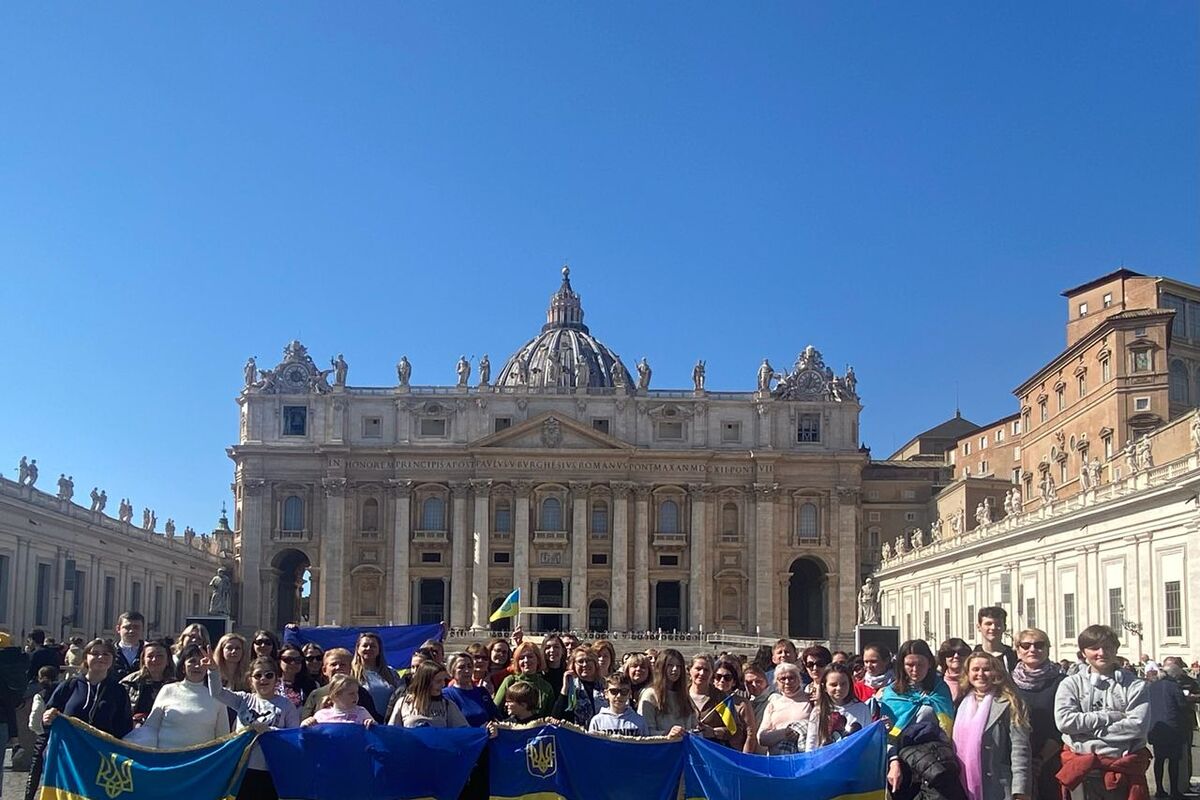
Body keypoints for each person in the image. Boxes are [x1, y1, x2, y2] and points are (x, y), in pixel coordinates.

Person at [1053, 624, 1151, 800]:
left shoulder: (1136, 685)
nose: (1101, 652)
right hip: (1081, 770)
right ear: (1083, 653)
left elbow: (1138, 726)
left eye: (1107, 647)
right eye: (1094, 648)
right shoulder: (1070, 684)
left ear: (1116, 650)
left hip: (1123, 770)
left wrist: (1087, 731)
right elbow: (1065, 723)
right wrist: (1110, 716)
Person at [29, 640, 132, 800]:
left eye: (106, 654)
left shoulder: (118, 691)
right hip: (68, 758)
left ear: (112, 659)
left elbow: (124, 727)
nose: (100, 657)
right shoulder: (69, 685)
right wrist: (48, 718)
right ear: (86, 658)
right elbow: (48, 717)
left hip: (100, 758)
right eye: (95, 653)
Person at [206, 654, 300, 800]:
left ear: (276, 678)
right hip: (241, 769)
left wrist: (269, 731)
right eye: (258, 675)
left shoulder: (286, 705)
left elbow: (294, 737)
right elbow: (217, 693)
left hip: (271, 770)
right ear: (250, 679)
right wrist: (213, 670)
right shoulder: (244, 699)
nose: (263, 679)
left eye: (269, 675)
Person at [879, 639, 961, 800]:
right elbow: (888, 734)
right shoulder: (891, 693)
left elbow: (949, 728)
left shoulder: (940, 689)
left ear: (930, 663)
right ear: (901, 665)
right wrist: (893, 762)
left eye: (920, 664)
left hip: (935, 763)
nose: (915, 670)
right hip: (903, 764)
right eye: (909, 664)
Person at [953, 652, 1031, 800]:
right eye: (975, 669)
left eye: (986, 669)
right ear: (968, 673)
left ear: (996, 672)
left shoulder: (1011, 702)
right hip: (963, 785)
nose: (981, 674)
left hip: (999, 786)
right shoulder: (960, 702)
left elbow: (1020, 749)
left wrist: (1021, 791)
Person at [125, 644, 228, 748]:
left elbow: (223, 738)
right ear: (183, 667)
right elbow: (150, 728)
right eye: (192, 661)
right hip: (167, 759)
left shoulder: (218, 696)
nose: (197, 666)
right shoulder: (168, 690)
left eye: (202, 662)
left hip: (202, 761)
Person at [1010, 628, 1065, 800]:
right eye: (1025, 645)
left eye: (1039, 645)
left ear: (1048, 649)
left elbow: (1062, 725)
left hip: (1051, 759)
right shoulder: (1008, 682)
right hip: (1015, 760)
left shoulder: (1062, 682)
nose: (1032, 650)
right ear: (1018, 651)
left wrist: (1040, 759)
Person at [806, 663, 873, 752]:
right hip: (826, 761)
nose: (839, 688)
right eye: (833, 685)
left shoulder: (862, 709)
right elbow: (811, 743)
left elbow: (868, 739)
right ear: (824, 687)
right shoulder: (818, 711)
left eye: (843, 684)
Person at [300, 648, 378, 722]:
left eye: (343, 664)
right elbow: (305, 725)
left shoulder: (361, 693)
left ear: (351, 669)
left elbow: (373, 723)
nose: (338, 667)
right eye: (333, 664)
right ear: (324, 670)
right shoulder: (316, 694)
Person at [1146, 665, 1187, 800]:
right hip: (1173, 728)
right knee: (1174, 761)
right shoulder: (1174, 687)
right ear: (1174, 675)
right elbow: (1181, 706)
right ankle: (1174, 790)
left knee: (1159, 760)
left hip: (1156, 728)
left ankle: (1160, 789)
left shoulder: (1151, 687)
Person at [389, 661, 468, 728]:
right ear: (425, 682)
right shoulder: (403, 703)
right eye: (438, 681)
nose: (443, 685)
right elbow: (391, 732)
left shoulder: (448, 706)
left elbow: (464, 731)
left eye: (444, 680)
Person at [637, 648, 694, 739]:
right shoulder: (650, 695)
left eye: (678, 666)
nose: (675, 669)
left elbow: (692, 726)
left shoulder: (685, 696)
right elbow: (645, 730)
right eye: (670, 665)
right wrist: (667, 735)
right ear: (661, 667)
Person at [757, 662, 813, 754]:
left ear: (799, 680)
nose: (787, 682)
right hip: (778, 759)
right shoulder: (773, 704)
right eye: (783, 679)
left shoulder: (810, 700)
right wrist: (784, 733)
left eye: (791, 678)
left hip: (804, 756)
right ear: (777, 682)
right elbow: (761, 738)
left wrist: (799, 731)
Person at [494, 642, 555, 720]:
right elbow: (495, 709)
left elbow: (550, 716)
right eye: (521, 658)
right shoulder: (510, 681)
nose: (526, 660)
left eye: (530, 657)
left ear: (538, 659)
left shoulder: (546, 687)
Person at [710, 656, 758, 753]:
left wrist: (744, 758)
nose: (722, 681)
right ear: (713, 679)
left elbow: (750, 734)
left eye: (727, 678)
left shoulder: (742, 704)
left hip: (733, 753)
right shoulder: (707, 699)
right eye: (718, 677)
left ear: (734, 682)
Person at [119, 640, 176, 723]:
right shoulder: (129, 683)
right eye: (150, 656)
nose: (154, 659)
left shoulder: (177, 685)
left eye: (160, 656)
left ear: (168, 660)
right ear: (143, 660)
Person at [351, 632, 401, 723]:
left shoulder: (392, 673)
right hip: (361, 724)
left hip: (388, 724)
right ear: (358, 649)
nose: (368, 648)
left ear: (379, 650)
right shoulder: (351, 673)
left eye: (373, 646)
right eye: (365, 645)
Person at [553, 647, 606, 728]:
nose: (585, 664)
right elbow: (556, 717)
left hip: (602, 734)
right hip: (578, 734)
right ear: (573, 665)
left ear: (595, 664)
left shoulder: (606, 685)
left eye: (588, 661)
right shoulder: (570, 687)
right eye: (580, 661)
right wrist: (565, 688)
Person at [443, 652, 500, 727]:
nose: (467, 670)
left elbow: (495, 717)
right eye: (461, 667)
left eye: (469, 666)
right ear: (452, 670)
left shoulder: (482, 692)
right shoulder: (446, 694)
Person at [307, 674, 375, 727]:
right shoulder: (321, 715)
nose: (356, 696)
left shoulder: (362, 712)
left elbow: (376, 734)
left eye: (357, 692)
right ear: (335, 696)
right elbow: (311, 737)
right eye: (351, 693)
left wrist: (372, 724)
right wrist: (307, 724)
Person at [975, 606, 1018, 673]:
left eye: (998, 624)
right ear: (978, 627)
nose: (993, 627)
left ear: (1004, 627)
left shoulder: (1014, 657)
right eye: (988, 624)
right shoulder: (972, 657)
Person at [26, 667, 59, 737]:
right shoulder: (64, 691)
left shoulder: (40, 696)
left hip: (45, 734)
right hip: (62, 733)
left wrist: (39, 731)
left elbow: (34, 720)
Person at [938, 638, 973, 702]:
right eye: (950, 653)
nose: (956, 656)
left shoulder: (974, 681)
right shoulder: (936, 682)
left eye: (961, 652)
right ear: (944, 658)